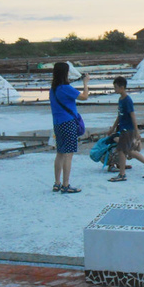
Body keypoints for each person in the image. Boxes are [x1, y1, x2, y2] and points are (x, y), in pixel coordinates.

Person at [50, 62, 89, 193]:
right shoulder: (66, 88)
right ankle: (66, 185)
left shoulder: (53, 89)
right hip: (68, 123)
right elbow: (84, 97)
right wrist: (85, 83)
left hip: (57, 123)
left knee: (60, 153)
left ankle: (57, 183)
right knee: (68, 154)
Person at [107, 76, 144, 181]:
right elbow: (120, 115)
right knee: (127, 151)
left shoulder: (127, 100)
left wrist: (137, 132)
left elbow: (133, 115)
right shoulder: (120, 99)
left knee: (121, 150)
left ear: (122, 87)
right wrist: (113, 128)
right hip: (123, 128)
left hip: (128, 129)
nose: (114, 89)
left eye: (116, 87)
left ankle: (122, 174)